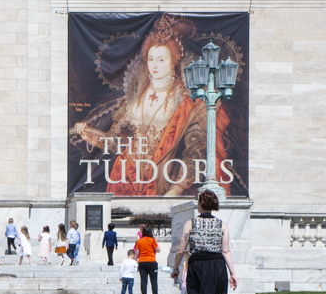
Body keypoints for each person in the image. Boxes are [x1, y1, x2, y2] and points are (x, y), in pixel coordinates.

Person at [73, 15, 233, 198]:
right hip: (125, 178)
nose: (154, 65)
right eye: (151, 59)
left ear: (173, 61)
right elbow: (117, 142)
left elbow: (194, 152)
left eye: (161, 60)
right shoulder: (134, 99)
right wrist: (93, 137)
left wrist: (177, 188)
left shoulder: (185, 101)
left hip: (163, 180)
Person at [172, 190, 238, 294]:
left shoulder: (190, 224)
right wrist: (232, 273)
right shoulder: (222, 225)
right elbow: (226, 251)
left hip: (197, 267)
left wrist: (175, 268)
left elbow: (181, 249)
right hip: (217, 267)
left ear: (200, 204)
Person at [136, 226, 161, 294]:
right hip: (151, 261)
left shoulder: (139, 241)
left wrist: (135, 261)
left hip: (142, 262)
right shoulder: (152, 240)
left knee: (143, 281)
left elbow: (137, 253)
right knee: (153, 281)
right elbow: (158, 250)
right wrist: (156, 242)